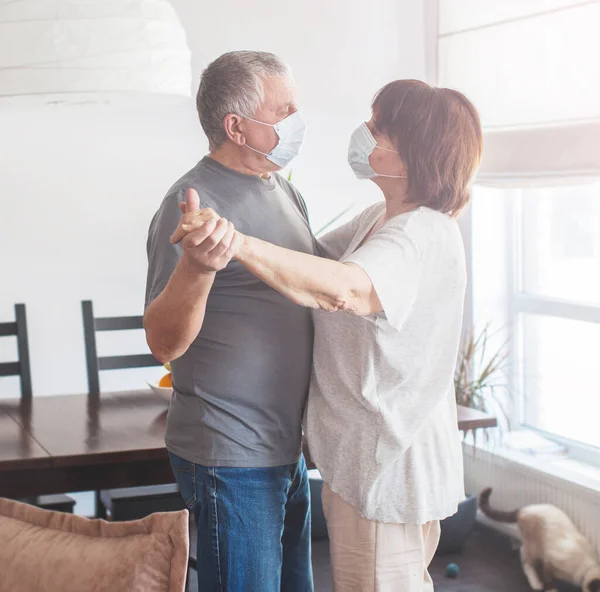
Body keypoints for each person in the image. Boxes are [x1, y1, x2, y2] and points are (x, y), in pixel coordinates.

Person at [172, 79, 483, 592]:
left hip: (388, 466)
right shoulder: (381, 219)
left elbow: (345, 290)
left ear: (413, 155)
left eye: (378, 129)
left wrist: (235, 239)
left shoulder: (422, 233)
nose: (364, 135)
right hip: (361, 459)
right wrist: (237, 221)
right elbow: (307, 258)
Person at [144, 51, 315, 592]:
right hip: (230, 455)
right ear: (236, 126)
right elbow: (161, 341)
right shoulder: (191, 202)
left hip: (287, 449)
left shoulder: (285, 189)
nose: (296, 122)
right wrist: (197, 265)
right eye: (282, 111)